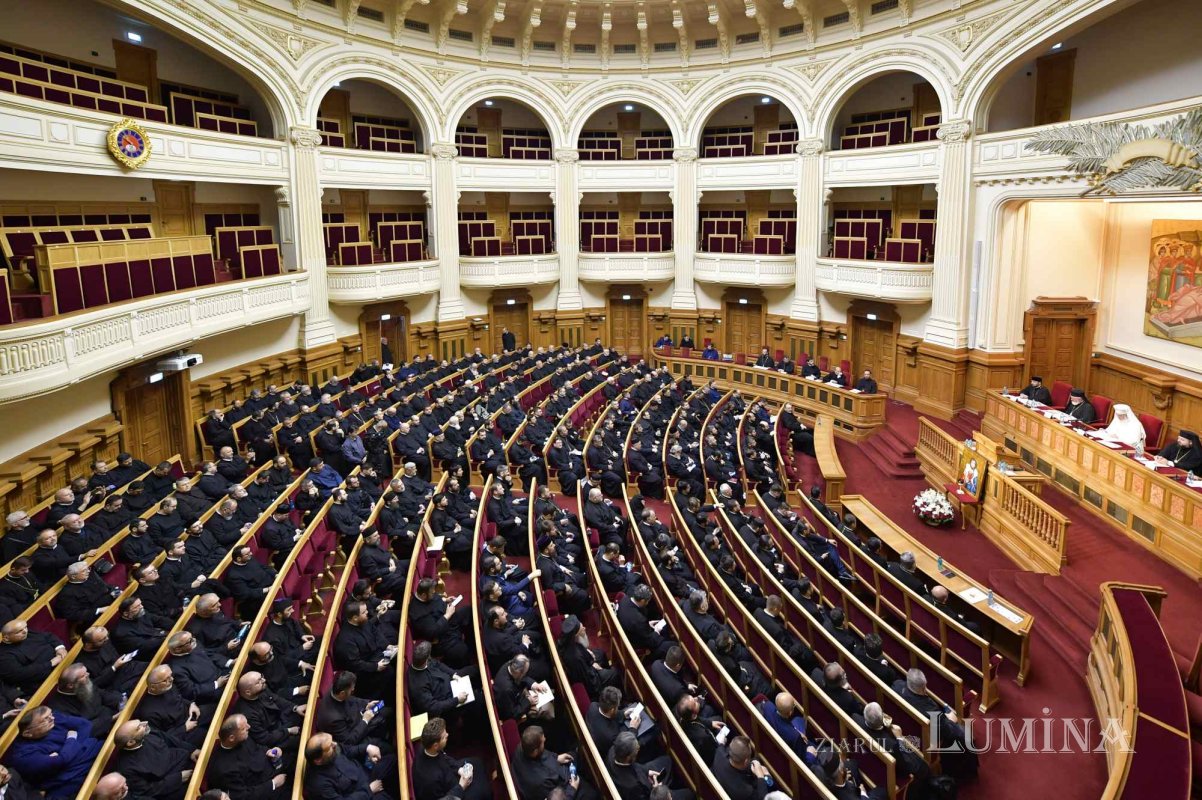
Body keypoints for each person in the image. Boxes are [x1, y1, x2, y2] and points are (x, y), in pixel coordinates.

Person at [8, 706, 102, 797]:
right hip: (65, 780)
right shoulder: (23, 755)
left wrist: (68, 752)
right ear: (28, 733)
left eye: (51, 714)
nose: (52, 718)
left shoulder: (53, 718)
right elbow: (61, 760)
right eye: (45, 719)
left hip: (89, 755)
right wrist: (71, 738)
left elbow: (85, 725)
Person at [205, 714, 289, 800]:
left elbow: (258, 748)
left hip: (274, 765)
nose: (249, 727)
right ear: (231, 738)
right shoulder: (224, 770)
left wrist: (270, 751)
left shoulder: (242, 737)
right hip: (266, 788)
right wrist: (273, 784)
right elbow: (243, 796)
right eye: (243, 728)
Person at [112, 719, 197, 800]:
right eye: (139, 727)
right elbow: (148, 790)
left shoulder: (145, 733)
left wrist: (192, 750)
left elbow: (168, 738)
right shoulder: (127, 768)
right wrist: (178, 778)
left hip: (182, 757)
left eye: (141, 722)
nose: (145, 723)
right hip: (170, 783)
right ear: (131, 742)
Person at [411, 717, 492, 800]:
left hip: (449, 776)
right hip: (453, 793)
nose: (447, 735)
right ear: (435, 745)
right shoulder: (429, 781)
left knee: (477, 762)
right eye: (444, 736)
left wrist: (459, 769)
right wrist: (462, 786)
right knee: (484, 791)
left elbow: (445, 758)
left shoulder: (427, 747)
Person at [510, 725, 599, 800]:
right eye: (543, 742)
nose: (545, 739)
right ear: (535, 751)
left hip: (554, 770)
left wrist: (556, 758)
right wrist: (572, 789)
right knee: (592, 794)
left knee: (575, 755)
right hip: (563, 787)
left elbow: (542, 755)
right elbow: (556, 797)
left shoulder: (522, 747)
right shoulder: (540, 783)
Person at [606, 730, 693, 800]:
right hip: (649, 789)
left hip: (641, 772)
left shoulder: (613, 751)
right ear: (628, 757)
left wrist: (646, 771)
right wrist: (655, 789)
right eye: (636, 751)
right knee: (688, 794)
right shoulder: (633, 787)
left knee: (667, 760)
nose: (638, 751)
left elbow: (633, 767)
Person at [302, 732, 389, 799]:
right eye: (330, 747)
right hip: (362, 793)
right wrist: (369, 790)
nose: (335, 744)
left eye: (332, 740)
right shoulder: (319, 785)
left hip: (366, 772)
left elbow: (348, 751)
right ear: (318, 760)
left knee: (392, 760)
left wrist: (367, 748)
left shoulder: (332, 749)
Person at [711, 735, 774, 800]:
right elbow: (763, 798)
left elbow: (721, 746)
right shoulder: (746, 791)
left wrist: (721, 743)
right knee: (768, 779)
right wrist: (761, 776)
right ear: (746, 761)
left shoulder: (719, 754)